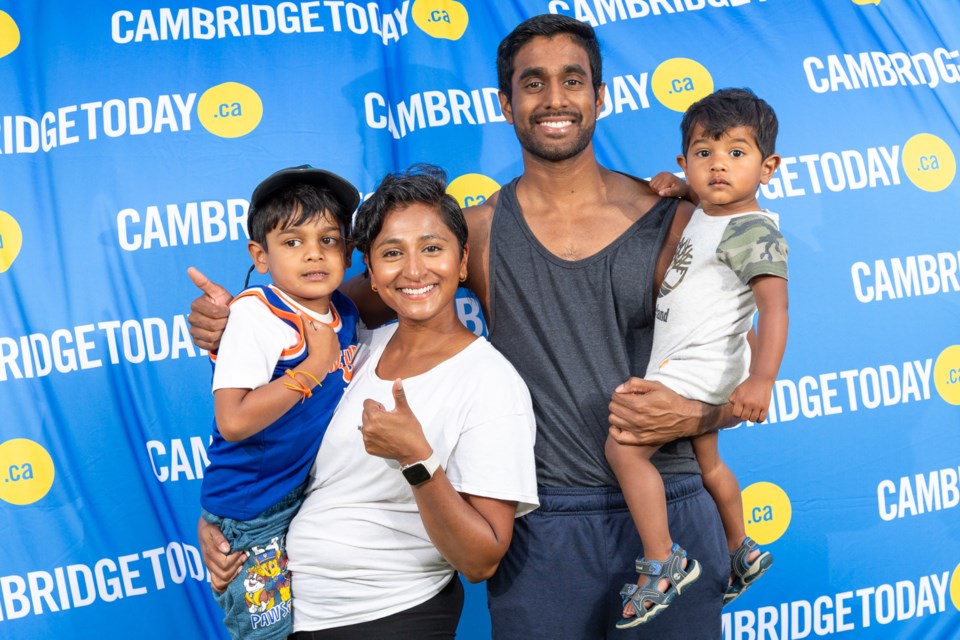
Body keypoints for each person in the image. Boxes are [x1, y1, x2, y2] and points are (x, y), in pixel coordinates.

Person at [189, 14, 737, 640]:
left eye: (572, 80)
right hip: (544, 528)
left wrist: (696, 418)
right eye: (533, 83)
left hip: (666, 515)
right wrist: (233, 320)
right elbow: (321, 304)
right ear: (506, 102)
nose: (554, 99)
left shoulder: (671, 218)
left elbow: (737, 366)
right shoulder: (471, 231)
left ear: (600, 96)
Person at [194, 166, 539, 639]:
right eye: (393, 253)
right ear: (371, 274)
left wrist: (416, 460)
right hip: (300, 610)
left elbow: (481, 559)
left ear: (462, 264)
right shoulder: (353, 346)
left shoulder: (490, 383)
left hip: (388, 616)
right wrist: (229, 521)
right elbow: (278, 444)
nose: (414, 270)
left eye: (432, 248)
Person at [605, 88, 788, 628]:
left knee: (624, 451)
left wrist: (762, 380)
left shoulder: (753, 229)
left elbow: (774, 311)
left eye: (737, 153)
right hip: (703, 364)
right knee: (709, 463)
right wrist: (678, 187)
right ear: (686, 161)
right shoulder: (711, 211)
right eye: (704, 154)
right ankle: (741, 549)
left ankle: (663, 561)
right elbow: (703, 201)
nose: (719, 166)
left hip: (698, 369)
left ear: (768, 166)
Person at [196, 165, 361, 640]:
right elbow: (232, 421)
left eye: (328, 240)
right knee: (269, 635)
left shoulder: (342, 309)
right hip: (253, 510)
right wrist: (313, 367)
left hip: (301, 497)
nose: (313, 253)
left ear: (348, 252)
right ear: (260, 255)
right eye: (292, 242)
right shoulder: (256, 315)